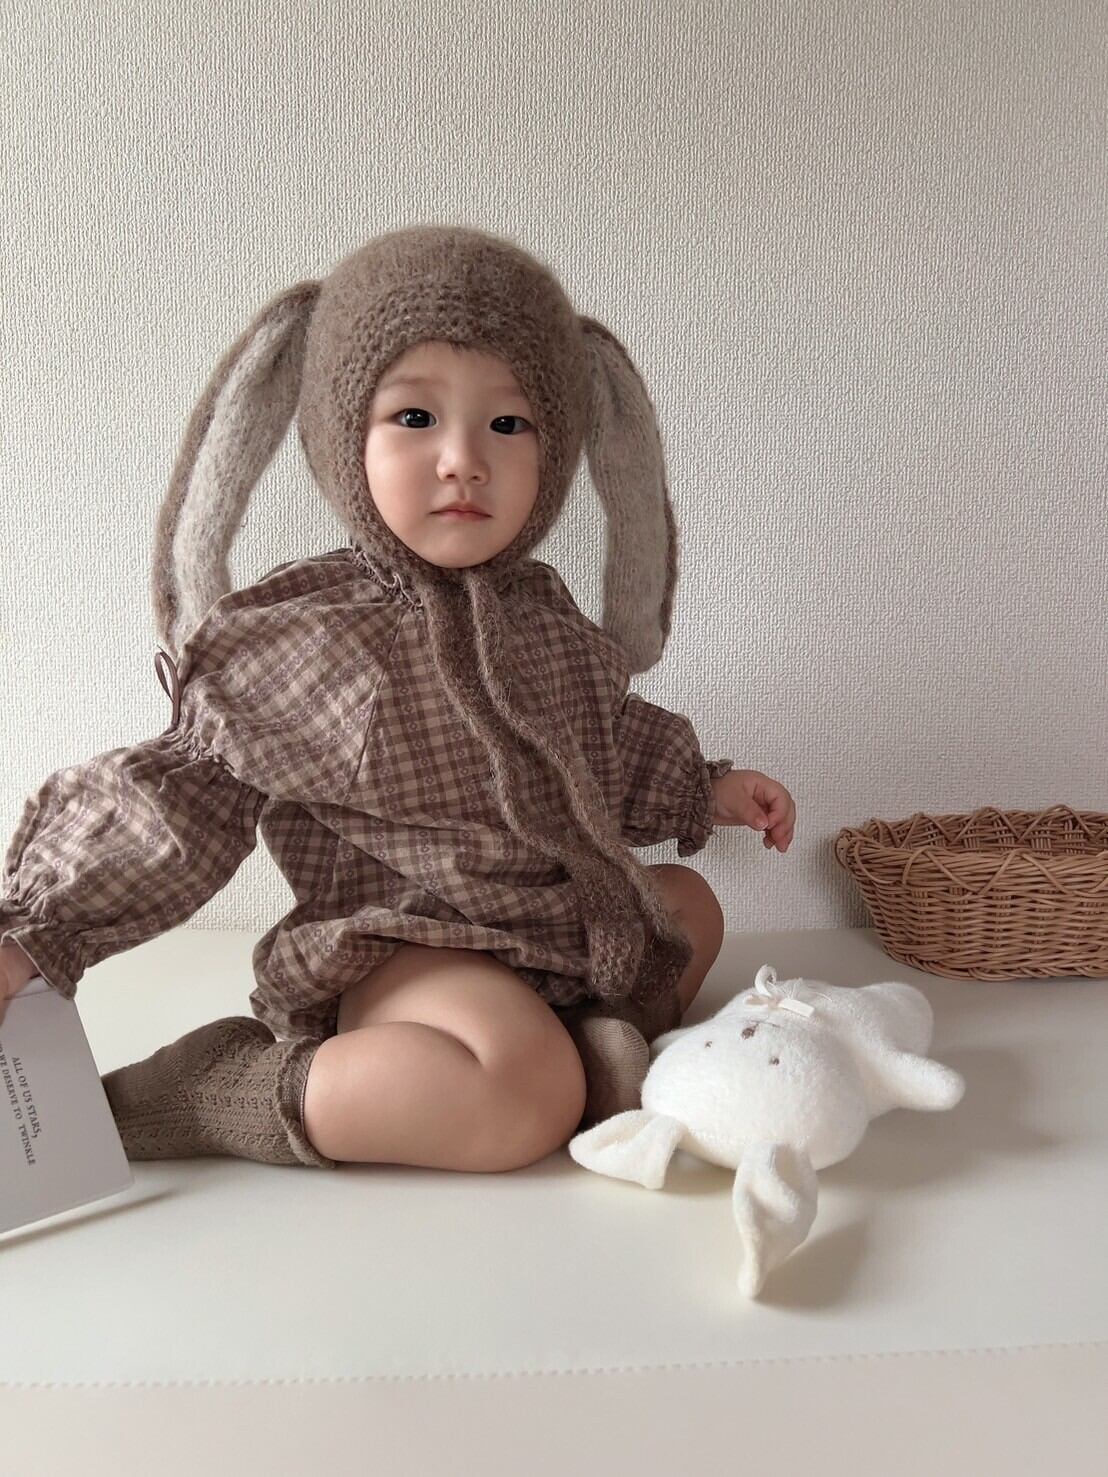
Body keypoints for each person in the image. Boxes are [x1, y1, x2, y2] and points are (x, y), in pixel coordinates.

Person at [0, 225, 796, 1174]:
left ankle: (591, 1042)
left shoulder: (546, 618)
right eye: (416, 417)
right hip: (406, 944)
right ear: (343, 438)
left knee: (688, 907)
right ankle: (217, 1088)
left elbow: (602, 748)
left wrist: (704, 788)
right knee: (518, 1095)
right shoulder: (318, 634)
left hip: (545, 926)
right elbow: (182, 794)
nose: (463, 459)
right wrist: (38, 929)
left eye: (509, 425)